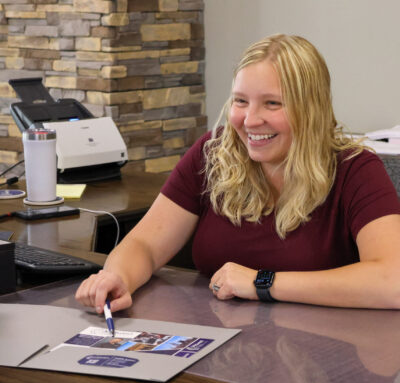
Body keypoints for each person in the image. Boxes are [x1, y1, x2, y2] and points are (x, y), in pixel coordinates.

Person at [75, 34, 400, 313]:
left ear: (311, 109)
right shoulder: (212, 153)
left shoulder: (355, 169)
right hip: (222, 347)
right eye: (240, 101)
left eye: (272, 103)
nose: (250, 120)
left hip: (325, 362)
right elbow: (145, 244)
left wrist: (263, 282)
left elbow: (392, 281)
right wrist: (117, 277)